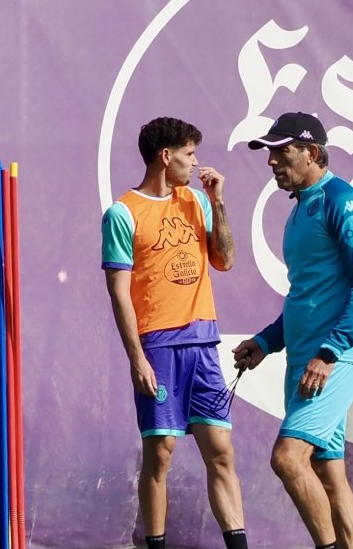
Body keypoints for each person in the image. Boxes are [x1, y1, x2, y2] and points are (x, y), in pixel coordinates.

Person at [233, 111, 353, 549]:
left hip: (331, 360)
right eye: (269, 152)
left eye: (281, 152)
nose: (271, 161)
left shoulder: (341, 201)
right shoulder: (300, 210)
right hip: (304, 358)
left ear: (312, 152)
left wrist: (330, 353)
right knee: (328, 473)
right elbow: (306, 295)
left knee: (288, 458)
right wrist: (266, 341)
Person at [101, 117, 248, 549]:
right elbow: (119, 293)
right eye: (189, 154)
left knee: (221, 451)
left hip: (203, 343)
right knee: (161, 452)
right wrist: (137, 358)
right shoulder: (122, 213)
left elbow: (226, 260)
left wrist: (218, 203)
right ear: (166, 157)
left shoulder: (197, 201)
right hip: (159, 347)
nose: (196, 163)